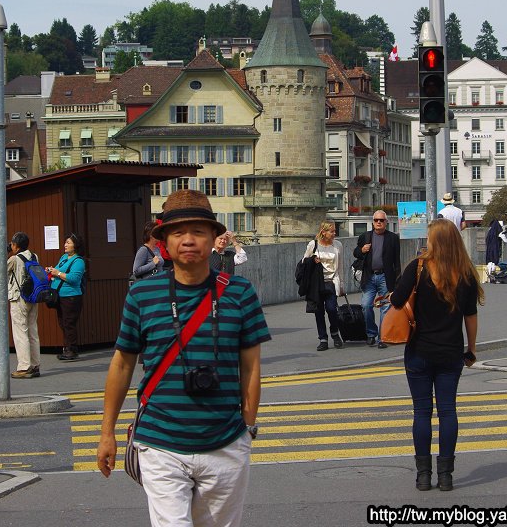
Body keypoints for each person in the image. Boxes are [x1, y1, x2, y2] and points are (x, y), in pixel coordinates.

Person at [96, 190, 270, 527]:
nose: (188, 240)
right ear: (164, 242)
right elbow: (122, 364)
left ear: (214, 238)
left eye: (198, 232)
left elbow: (251, 365)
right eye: (178, 233)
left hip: (226, 443)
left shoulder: (239, 293)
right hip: (160, 443)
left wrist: (247, 428)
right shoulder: (141, 294)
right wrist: (107, 433)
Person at [388, 219, 483, 492]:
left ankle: (423, 476)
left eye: (429, 237)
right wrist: (472, 349)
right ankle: (446, 476)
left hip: (418, 351)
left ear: (434, 241)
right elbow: (470, 317)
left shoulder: (418, 268)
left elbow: (396, 301)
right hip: (451, 352)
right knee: (448, 411)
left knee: (421, 412)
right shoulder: (465, 273)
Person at [353, 210, 401, 349]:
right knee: (366, 306)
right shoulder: (365, 236)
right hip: (369, 276)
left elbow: (396, 261)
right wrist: (362, 250)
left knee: (385, 307)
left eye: (381, 220)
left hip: (385, 277)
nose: (378, 222)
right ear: (373, 222)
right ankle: (371, 334)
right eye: (376, 220)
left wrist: (397, 281)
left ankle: (383, 337)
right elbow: (356, 253)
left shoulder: (392, 238)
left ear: (386, 222)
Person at [303, 221, 345, 351]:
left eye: (334, 231)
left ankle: (334, 332)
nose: (334, 233)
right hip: (316, 283)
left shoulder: (338, 245)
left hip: (331, 282)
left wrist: (342, 285)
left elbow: (341, 266)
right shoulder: (313, 245)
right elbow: (304, 262)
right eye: (331, 231)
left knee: (332, 309)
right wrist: (313, 260)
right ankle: (323, 339)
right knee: (319, 312)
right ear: (324, 232)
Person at [47, 233, 86, 361]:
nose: (65, 245)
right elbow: (58, 270)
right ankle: (67, 348)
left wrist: (57, 273)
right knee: (62, 322)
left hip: (72, 297)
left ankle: (72, 350)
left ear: (75, 245)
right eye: (65, 242)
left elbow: (74, 279)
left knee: (69, 323)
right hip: (61, 296)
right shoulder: (64, 257)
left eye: (68, 243)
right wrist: (51, 270)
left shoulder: (78, 261)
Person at [7, 233, 41, 378]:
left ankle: (24, 367)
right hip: (33, 297)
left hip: (18, 298)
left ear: (16, 245)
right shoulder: (34, 256)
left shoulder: (14, 259)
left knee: (20, 332)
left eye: (12, 244)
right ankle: (35, 365)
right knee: (33, 331)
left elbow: (0, 271)